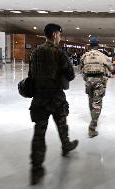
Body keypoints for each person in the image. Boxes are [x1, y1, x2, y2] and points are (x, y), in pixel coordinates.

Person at [28, 23, 78, 185]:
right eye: (60, 35)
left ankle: (36, 169)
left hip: (39, 98)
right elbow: (70, 75)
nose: (60, 38)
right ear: (55, 35)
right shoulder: (59, 53)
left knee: (39, 133)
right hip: (56, 97)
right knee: (62, 124)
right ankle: (66, 145)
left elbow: (31, 75)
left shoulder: (34, 52)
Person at [80, 36, 113, 138]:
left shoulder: (84, 56)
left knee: (91, 101)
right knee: (97, 103)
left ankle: (93, 117)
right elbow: (111, 68)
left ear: (90, 45)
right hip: (99, 81)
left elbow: (81, 68)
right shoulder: (102, 56)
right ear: (98, 45)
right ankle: (92, 127)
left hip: (88, 82)